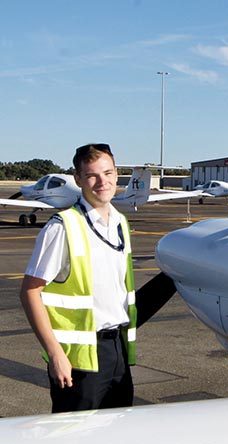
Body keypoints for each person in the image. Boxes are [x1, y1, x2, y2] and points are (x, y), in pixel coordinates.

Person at [19, 143, 137, 412]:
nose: (101, 182)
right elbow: (29, 291)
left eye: (107, 173)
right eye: (92, 175)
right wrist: (55, 354)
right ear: (78, 179)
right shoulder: (63, 226)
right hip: (79, 358)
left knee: (120, 430)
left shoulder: (120, 224)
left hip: (117, 351)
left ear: (117, 175)